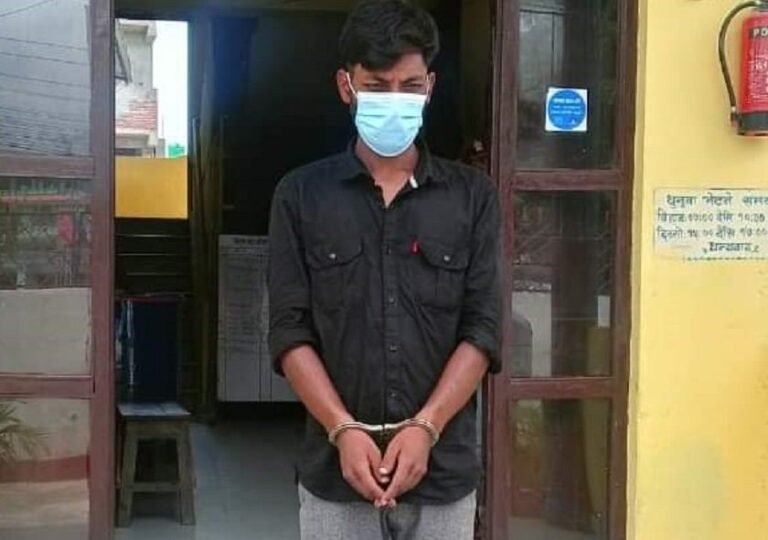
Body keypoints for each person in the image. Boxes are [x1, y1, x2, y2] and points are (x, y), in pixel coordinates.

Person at [268, 0, 501, 538]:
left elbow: (483, 328)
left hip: (442, 474)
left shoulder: (473, 198)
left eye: (409, 85)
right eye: (377, 86)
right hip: (336, 475)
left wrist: (426, 427)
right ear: (346, 86)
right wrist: (342, 430)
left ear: (430, 87)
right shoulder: (300, 196)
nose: (395, 99)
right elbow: (288, 330)